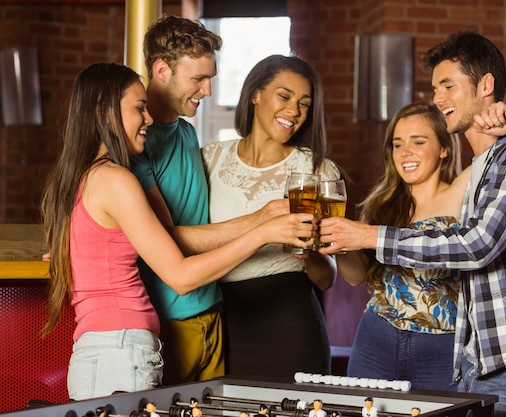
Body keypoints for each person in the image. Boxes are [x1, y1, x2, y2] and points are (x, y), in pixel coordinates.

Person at [319, 31, 506, 417]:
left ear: (484, 85)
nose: (437, 98)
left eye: (448, 85)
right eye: (435, 87)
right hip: (476, 358)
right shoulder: (491, 167)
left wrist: (368, 234)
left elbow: (477, 245)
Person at [40, 63, 315, 401]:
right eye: (139, 108)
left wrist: (262, 219)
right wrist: (263, 233)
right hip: (121, 350)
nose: (149, 119)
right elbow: (181, 277)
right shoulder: (116, 180)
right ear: (104, 112)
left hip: (102, 349)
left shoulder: (77, 178)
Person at [322, 102, 506, 391]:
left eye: (418, 142)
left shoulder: (463, 189)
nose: (405, 152)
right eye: (397, 144)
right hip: (376, 337)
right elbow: (355, 276)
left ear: (444, 148)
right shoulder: (382, 203)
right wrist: (338, 243)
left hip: (442, 347)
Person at [130, 16, 291, 386]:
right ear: (161, 70)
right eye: (198, 80)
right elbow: (167, 238)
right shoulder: (136, 145)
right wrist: (261, 221)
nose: (207, 91)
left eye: (210, 79)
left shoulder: (186, 132)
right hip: (168, 319)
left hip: (212, 312)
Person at [202, 54, 339, 381]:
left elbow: (326, 278)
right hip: (218, 325)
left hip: (290, 328)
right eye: (284, 96)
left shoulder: (317, 171)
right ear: (255, 94)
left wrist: (308, 252)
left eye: (304, 104)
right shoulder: (209, 159)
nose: (294, 110)